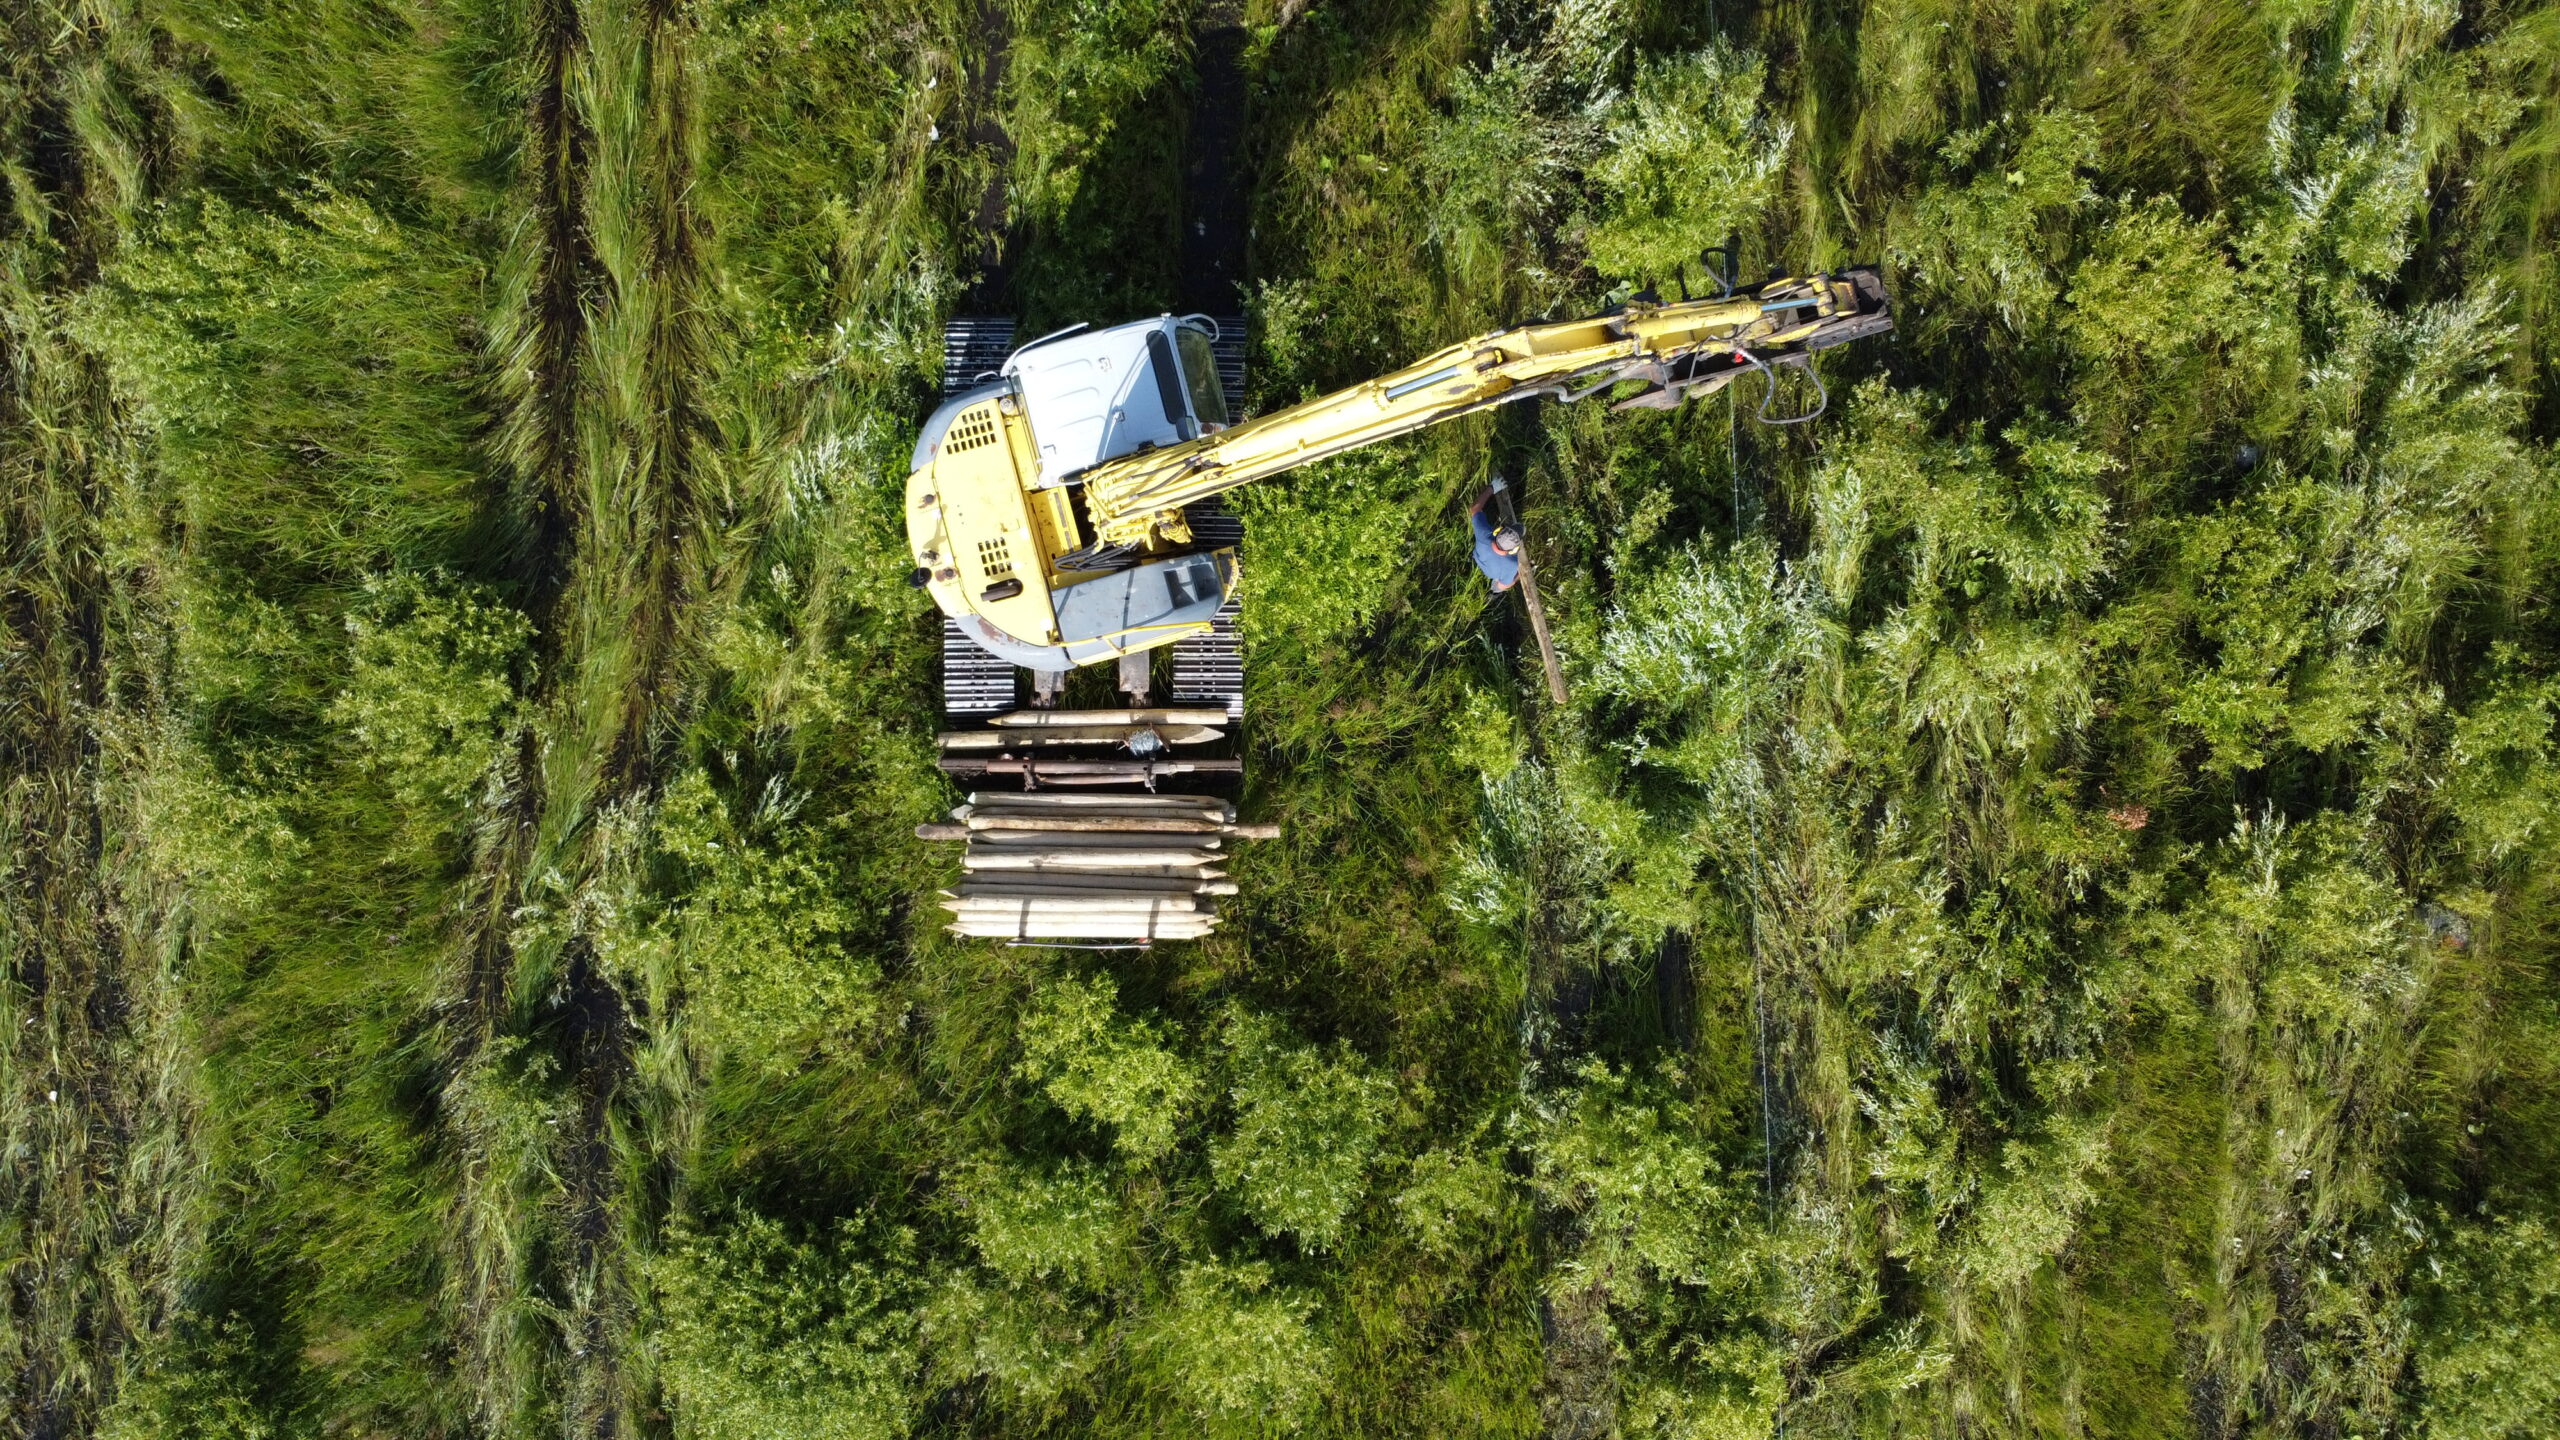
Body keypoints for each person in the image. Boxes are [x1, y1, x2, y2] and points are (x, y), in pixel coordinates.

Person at [1469, 488, 1523, 592]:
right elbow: (1504, 585)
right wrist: (1519, 575)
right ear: (1513, 550)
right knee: (1498, 587)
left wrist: (1491, 488)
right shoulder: (1511, 564)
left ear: (1498, 531)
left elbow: (1474, 509)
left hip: (1479, 558)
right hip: (1493, 574)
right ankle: (1493, 593)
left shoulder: (1484, 535)